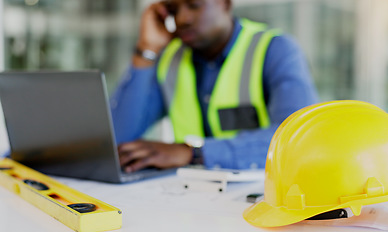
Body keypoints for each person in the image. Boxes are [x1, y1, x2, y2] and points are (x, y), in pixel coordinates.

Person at [110, 0, 318, 173]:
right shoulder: (169, 59)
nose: (182, 19)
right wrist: (147, 51)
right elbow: (117, 138)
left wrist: (193, 153)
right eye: (173, 11)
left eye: (194, 5)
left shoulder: (275, 49)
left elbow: (298, 140)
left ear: (225, 3)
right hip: (191, 197)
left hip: (262, 196)